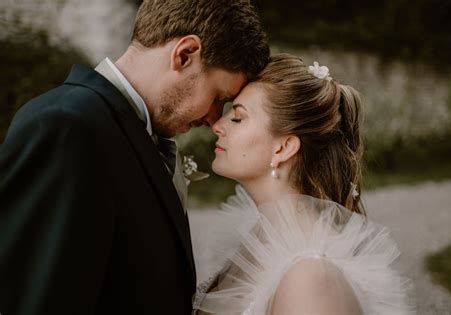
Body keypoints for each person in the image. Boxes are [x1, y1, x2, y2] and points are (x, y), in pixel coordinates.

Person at [0, 0, 269, 314]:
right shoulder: (67, 126)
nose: (214, 119)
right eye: (218, 98)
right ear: (184, 54)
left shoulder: (124, 130)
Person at [193, 54, 415, 314]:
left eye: (238, 118)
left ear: (284, 148)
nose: (217, 125)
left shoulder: (310, 278)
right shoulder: (260, 237)